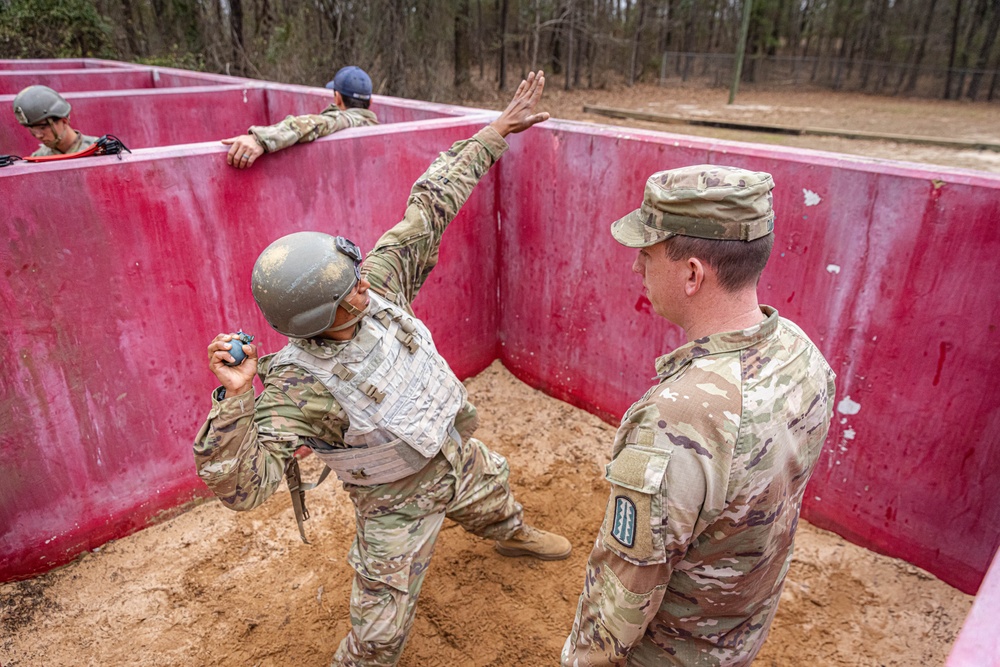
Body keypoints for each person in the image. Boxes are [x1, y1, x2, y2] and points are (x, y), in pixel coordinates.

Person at [195, 71, 571, 667]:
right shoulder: (298, 384)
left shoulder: (379, 287)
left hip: (453, 452)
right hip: (394, 505)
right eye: (349, 287)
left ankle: (512, 534)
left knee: (494, 490)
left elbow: (429, 206)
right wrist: (236, 401)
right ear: (318, 314)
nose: (365, 282)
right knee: (377, 637)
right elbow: (246, 488)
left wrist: (496, 131)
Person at [561, 166, 836, 666]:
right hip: (739, 634)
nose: (636, 269)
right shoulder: (803, 354)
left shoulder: (680, 417)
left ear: (692, 274)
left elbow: (624, 595)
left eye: (646, 255)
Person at [222, 65, 379, 169]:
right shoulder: (375, 126)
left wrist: (260, 139)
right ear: (370, 101)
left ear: (337, 98)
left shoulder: (345, 120)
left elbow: (313, 123)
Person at [12, 85, 98, 157]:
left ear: (64, 121)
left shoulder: (99, 149)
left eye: (42, 127)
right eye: (31, 128)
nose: (38, 135)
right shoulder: (38, 158)